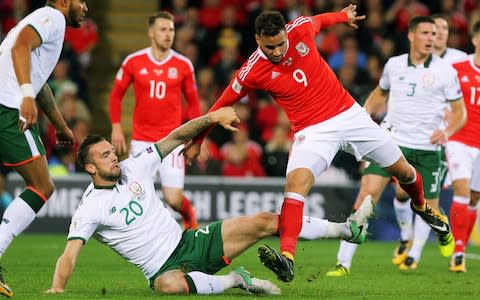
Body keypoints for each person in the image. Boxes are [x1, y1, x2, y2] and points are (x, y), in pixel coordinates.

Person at [184, 5, 454, 282]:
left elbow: (321, 20)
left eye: (280, 44)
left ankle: (422, 206)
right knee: (295, 188)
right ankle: (287, 257)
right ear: (257, 41)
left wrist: (344, 17)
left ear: (286, 35)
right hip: (312, 132)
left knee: (405, 172)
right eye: (269, 47)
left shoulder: (299, 29)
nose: (276, 51)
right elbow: (220, 104)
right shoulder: (251, 70)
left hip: (349, 115)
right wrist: (197, 140)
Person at [46, 107, 374, 295]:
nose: (114, 157)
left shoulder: (135, 166)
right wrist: (57, 290)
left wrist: (211, 118)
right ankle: (237, 281)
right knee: (166, 287)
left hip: (191, 242)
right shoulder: (89, 207)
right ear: (90, 168)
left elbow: (175, 137)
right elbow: (69, 254)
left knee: (264, 220)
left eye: (111, 151)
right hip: (163, 268)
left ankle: (348, 229)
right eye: (105, 156)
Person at [325, 15, 466, 276]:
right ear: (412, 35)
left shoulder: (446, 71)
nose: (430, 38)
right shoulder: (394, 65)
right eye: (425, 33)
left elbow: (460, 112)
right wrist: (364, 113)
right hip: (392, 141)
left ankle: (441, 230)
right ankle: (343, 262)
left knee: (426, 208)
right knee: (367, 193)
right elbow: (381, 91)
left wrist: (447, 131)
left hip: (427, 148)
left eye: (433, 34)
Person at [0, 0, 88, 297]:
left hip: (8, 101)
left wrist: (60, 124)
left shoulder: (43, 20)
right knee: (41, 185)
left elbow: (40, 82)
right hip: (9, 108)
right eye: (82, 1)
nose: (85, 7)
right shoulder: (53, 17)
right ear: (64, 1)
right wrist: (26, 97)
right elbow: (20, 47)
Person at [109, 11, 202, 230]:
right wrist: (116, 126)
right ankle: (142, 236)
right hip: (142, 141)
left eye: (171, 29)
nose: (168, 34)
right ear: (151, 33)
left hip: (173, 141)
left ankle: (190, 215)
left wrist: (196, 138)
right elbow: (116, 96)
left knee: (173, 198)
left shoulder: (183, 65)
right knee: (136, 193)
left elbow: (194, 104)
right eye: (163, 29)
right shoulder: (133, 61)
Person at [445, 20, 480, 272]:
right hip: (460, 139)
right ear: (476, 39)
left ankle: (462, 246)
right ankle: (458, 252)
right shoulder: (456, 68)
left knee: (474, 197)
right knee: (462, 189)